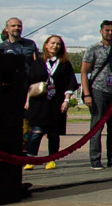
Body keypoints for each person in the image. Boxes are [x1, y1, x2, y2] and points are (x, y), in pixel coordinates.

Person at [24, 35, 79, 170]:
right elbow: (29, 84)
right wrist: (27, 101)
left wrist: (66, 100)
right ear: (46, 45)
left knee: (54, 133)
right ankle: (30, 159)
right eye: (52, 43)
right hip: (39, 103)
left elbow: (70, 83)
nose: (55, 46)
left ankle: (51, 159)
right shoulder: (37, 63)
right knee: (36, 132)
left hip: (56, 103)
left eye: (58, 44)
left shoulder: (64, 64)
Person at [81, 20, 112, 169]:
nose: (110, 33)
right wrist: (87, 94)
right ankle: (95, 159)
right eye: (107, 30)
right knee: (97, 125)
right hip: (98, 91)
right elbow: (84, 72)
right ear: (101, 31)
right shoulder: (93, 49)